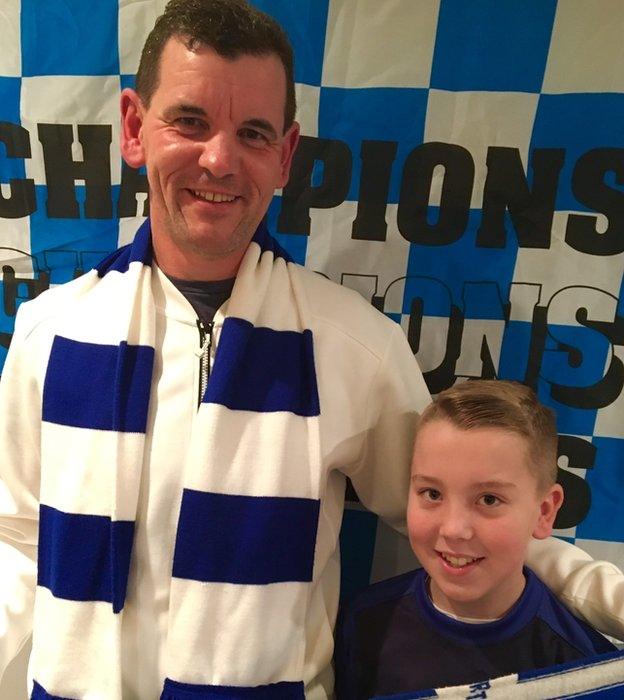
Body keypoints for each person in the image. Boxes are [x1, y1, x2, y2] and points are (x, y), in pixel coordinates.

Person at [0, 2, 622, 698]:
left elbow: (466, 523)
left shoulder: (354, 346)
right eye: (191, 121)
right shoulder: (48, 332)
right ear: (137, 129)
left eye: (253, 133)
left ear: (286, 155)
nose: (219, 158)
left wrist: (602, 593)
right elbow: (16, 539)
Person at [335, 381, 618, 699]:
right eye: (432, 493)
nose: (454, 529)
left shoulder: (582, 666)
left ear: (544, 511)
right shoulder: (365, 622)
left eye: (488, 500)